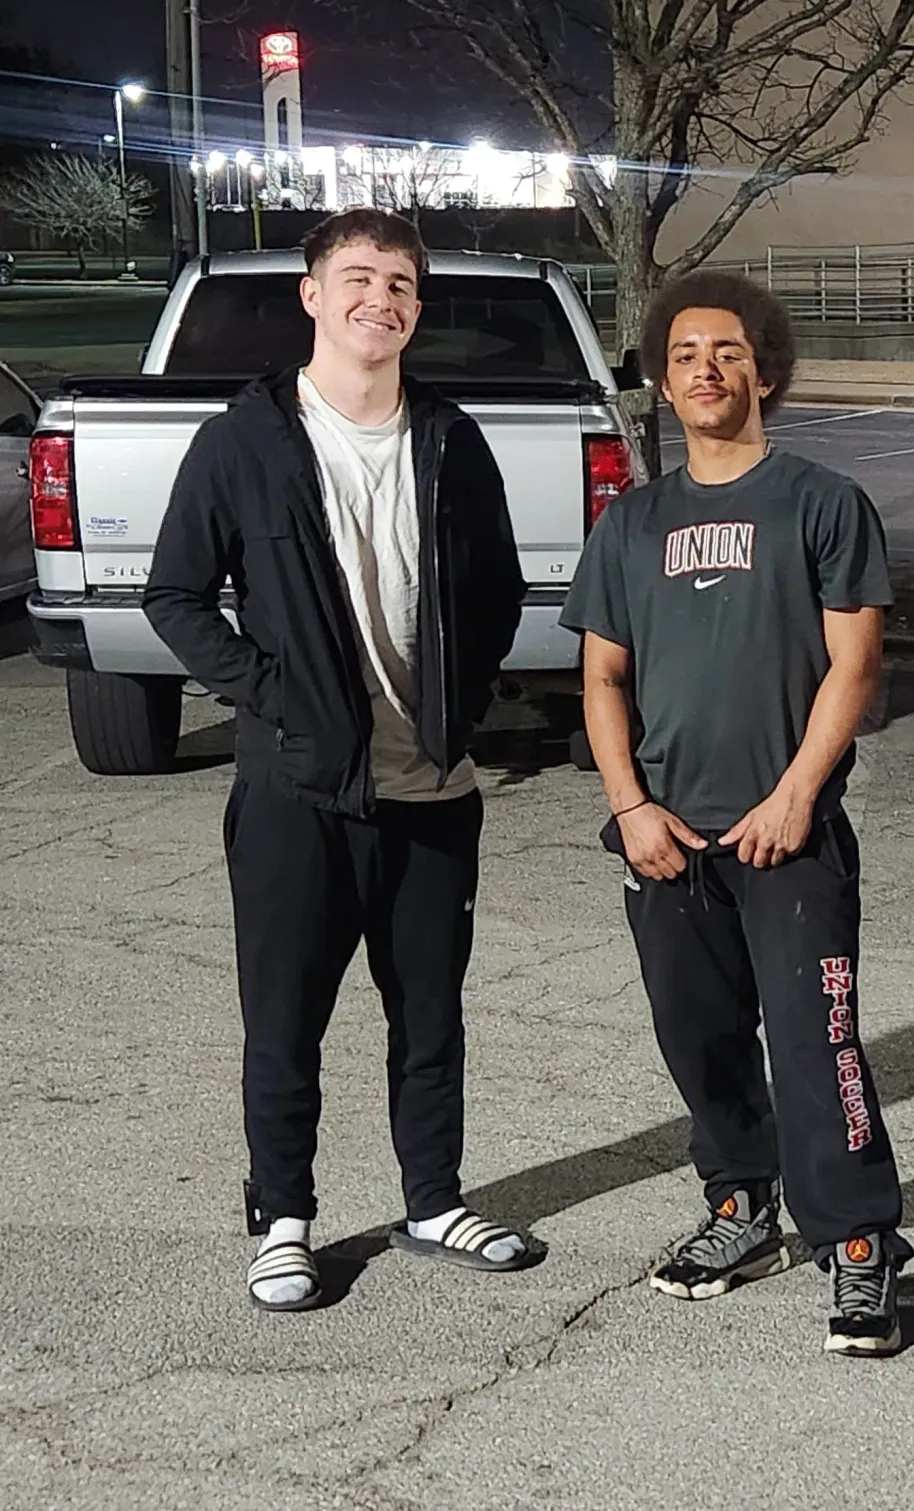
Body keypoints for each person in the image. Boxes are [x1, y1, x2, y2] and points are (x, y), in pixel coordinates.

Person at [144, 208, 533, 1311]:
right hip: (298, 792)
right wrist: (275, 699)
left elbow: (497, 591)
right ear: (312, 295)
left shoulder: (452, 438)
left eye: (402, 282)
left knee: (431, 1014)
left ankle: (433, 1200)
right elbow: (175, 594)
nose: (382, 299)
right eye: (357, 277)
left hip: (433, 790)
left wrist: (461, 705)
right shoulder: (248, 440)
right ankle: (282, 1217)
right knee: (285, 1016)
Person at [561, 271, 910, 1358]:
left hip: (787, 835)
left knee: (821, 1049)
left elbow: (855, 665)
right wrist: (632, 809)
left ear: (763, 368)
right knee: (699, 1041)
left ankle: (858, 1246)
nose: (704, 369)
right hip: (668, 839)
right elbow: (602, 680)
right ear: (662, 385)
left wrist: (797, 793)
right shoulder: (633, 523)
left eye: (725, 351)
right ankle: (742, 1208)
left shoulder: (819, 501)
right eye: (682, 356)